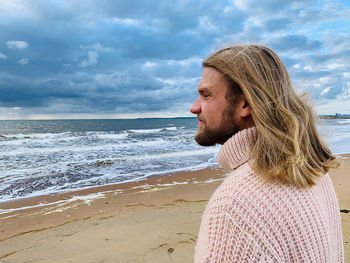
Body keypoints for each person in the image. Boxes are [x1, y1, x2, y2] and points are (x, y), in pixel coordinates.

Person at [190, 45, 344, 262]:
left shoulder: (234, 207)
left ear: (244, 104)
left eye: (206, 95)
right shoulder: (311, 168)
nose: (194, 107)